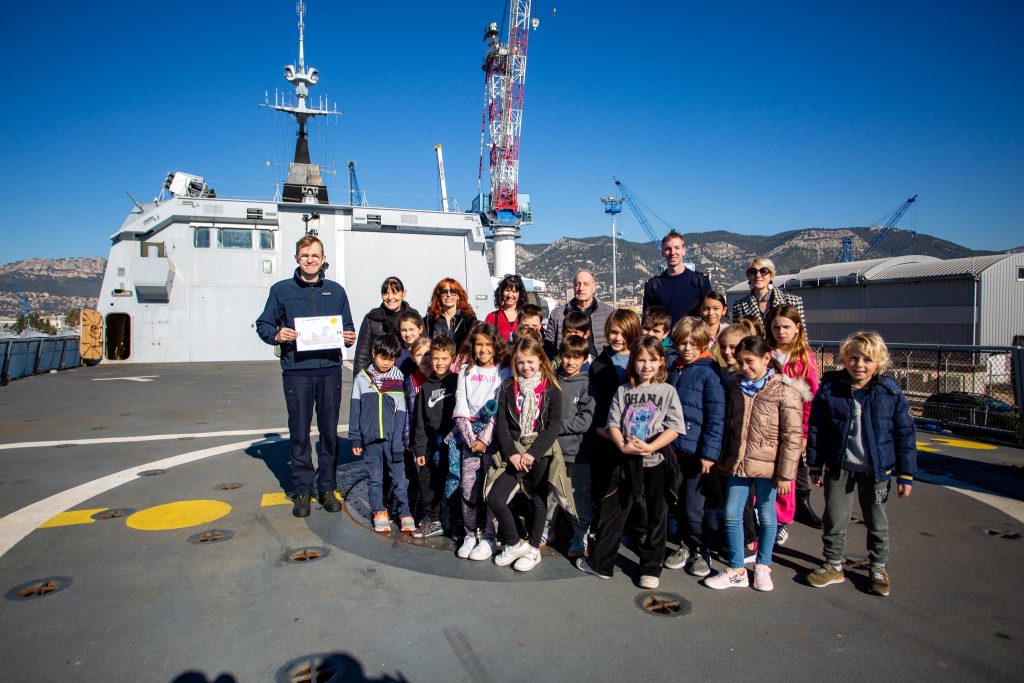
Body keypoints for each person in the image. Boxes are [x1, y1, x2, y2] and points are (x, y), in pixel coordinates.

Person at [805, 332, 916, 597]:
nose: (859, 364)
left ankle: (877, 567)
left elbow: (905, 433)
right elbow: (818, 428)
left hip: (876, 471)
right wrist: (815, 464)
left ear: (879, 363)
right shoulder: (831, 390)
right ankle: (833, 564)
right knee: (834, 518)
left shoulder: (889, 392)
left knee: (876, 520)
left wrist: (906, 474)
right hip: (838, 467)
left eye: (867, 359)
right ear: (844, 359)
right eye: (853, 358)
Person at [255, 234, 355, 518]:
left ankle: (326, 487)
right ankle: (302, 490)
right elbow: (263, 324)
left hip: (329, 371)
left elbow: (347, 327)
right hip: (297, 371)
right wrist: (277, 334)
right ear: (296, 259)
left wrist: (348, 336)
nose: (310, 260)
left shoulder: (336, 291)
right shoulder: (281, 290)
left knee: (329, 432)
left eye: (315, 255)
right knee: (299, 432)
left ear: (324, 260)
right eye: (305, 255)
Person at [577, 336, 685, 590]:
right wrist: (622, 445)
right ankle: (601, 563)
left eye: (651, 360)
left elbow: (675, 427)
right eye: (640, 360)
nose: (646, 366)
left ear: (661, 362)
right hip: (624, 462)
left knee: (656, 516)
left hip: (656, 461)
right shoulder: (624, 390)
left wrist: (651, 446)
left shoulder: (668, 390)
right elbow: (612, 424)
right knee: (613, 512)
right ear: (633, 362)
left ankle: (650, 569)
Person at [704, 335, 803, 592]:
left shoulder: (785, 392)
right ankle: (737, 569)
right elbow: (729, 426)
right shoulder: (736, 388)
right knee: (731, 514)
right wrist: (724, 459)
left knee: (767, 516)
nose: (745, 367)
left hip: (769, 468)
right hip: (738, 463)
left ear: (766, 358)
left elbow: (792, 437)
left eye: (750, 362)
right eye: (741, 362)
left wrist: (785, 475)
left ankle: (763, 565)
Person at [486, 335, 570, 572]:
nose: (526, 367)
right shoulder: (507, 387)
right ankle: (514, 542)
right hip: (514, 451)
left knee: (537, 499)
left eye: (531, 361)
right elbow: (501, 424)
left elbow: (553, 426)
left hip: (539, 451)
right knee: (495, 498)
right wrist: (512, 454)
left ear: (540, 361)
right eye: (521, 362)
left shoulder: (551, 389)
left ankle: (534, 548)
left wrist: (533, 453)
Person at [664, 317, 725, 579]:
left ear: (703, 343)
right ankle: (685, 545)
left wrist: (709, 453)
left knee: (694, 505)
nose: (687, 347)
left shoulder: (709, 373)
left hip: (696, 451)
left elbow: (716, 416)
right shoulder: (672, 368)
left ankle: (701, 549)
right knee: (677, 503)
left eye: (693, 343)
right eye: (682, 342)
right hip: (672, 449)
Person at [446, 322, 510, 560]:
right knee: (469, 487)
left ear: (495, 345)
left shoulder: (503, 371)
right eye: (478, 344)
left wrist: (485, 438)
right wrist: (470, 437)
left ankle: (490, 537)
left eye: (487, 344)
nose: (483, 349)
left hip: (492, 439)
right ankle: (470, 534)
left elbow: (499, 407)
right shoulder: (465, 369)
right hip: (468, 437)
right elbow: (460, 402)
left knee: (491, 489)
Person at [349, 334, 414, 534]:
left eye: (391, 359)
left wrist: (400, 441)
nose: (386, 363)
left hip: (393, 441)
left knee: (400, 479)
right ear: (373, 354)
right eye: (382, 357)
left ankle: (405, 512)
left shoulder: (398, 380)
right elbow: (355, 410)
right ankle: (379, 512)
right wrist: (355, 438)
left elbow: (402, 414)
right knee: (374, 479)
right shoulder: (362, 379)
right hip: (370, 441)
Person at [766, 304, 822, 533]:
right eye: (776, 327)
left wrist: (805, 434)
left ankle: (782, 520)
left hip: (794, 426)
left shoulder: (805, 358)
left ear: (797, 328)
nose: (781, 332)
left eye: (786, 327)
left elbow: (810, 398)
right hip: (767, 424)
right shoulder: (766, 354)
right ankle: (766, 516)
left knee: (787, 475)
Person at [541, 334, 595, 557]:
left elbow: (584, 421)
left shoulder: (587, 384)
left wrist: (555, 427)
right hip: (553, 451)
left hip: (577, 453)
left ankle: (580, 535)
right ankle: (546, 529)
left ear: (584, 358)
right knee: (551, 494)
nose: (570, 362)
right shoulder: (553, 380)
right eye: (566, 356)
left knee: (576, 497)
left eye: (576, 357)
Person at [588, 309, 643, 509]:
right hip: (607, 434)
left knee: (637, 490)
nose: (617, 338)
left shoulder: (642, 360)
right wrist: (600, 429)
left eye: (623, 333)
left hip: (639, 435)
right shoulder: (599, 364)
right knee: (610, 489)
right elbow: (595, 401)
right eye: (613, 332)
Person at [411, 335, 459, 539]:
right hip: (431, 443)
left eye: (444, 359)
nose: (439, 363)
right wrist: (419, 449)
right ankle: (434, 519)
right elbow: (420, 422)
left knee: (453, 481)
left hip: (453, 442)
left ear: (452, 359)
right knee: (428, 481)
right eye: (436, 358)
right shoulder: (426, 387)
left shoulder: (457, 382)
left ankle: (457, 522)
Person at [353, 276, 420, 379]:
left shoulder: (413, 315)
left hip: (409, 375)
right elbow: (362, 356)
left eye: (395, 292)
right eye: (386, 293)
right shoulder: (372, 318)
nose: (390, 297)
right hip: (379, 377)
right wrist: (359, 383)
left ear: (404, 293)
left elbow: (424, 347)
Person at [642, 230, 713, 325]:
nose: (673, 252)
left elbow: (710, 313)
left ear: (684, 251)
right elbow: (647, 320)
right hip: (665, 339)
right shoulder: (653, 285)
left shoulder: (700, 281)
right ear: (663, 252)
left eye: (677, 248)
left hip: (693, 338)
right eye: (668, 249)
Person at [544, 270, 614, 358]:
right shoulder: (557, 314)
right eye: (577, 284)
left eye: (586, 284)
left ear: (594, 288)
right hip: (568, 366)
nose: (581, 288)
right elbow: (549, 345)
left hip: (601, 368)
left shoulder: (608, 313)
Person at [731, 258, 805, 327]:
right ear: (748, 276)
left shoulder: (793, 302)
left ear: (771, 275)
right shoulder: (739, 306)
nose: (758, 275)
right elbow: (737, 336)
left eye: (763, 271)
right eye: (753, 272)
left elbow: (801, 334)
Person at [424, 279, 478, 351]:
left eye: (453, 292)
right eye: (444, 292)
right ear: (439, 296)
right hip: (438, 360)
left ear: (458, 296)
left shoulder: (469, 319)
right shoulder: (429, 320)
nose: (448, 295)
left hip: (461, 361)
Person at [485, 274, 525, 345]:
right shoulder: (492, 317)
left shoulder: (526, 316)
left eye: (514, 291)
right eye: (507, 290)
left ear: (520, 294)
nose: (510, 295)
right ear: (501, 292)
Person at [700, 292, 730, 365]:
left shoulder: (729, 332)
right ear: (700, 310)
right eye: (706, 309)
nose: (711, 313)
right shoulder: (696, 334)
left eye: (716, 308)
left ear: (724, 310)